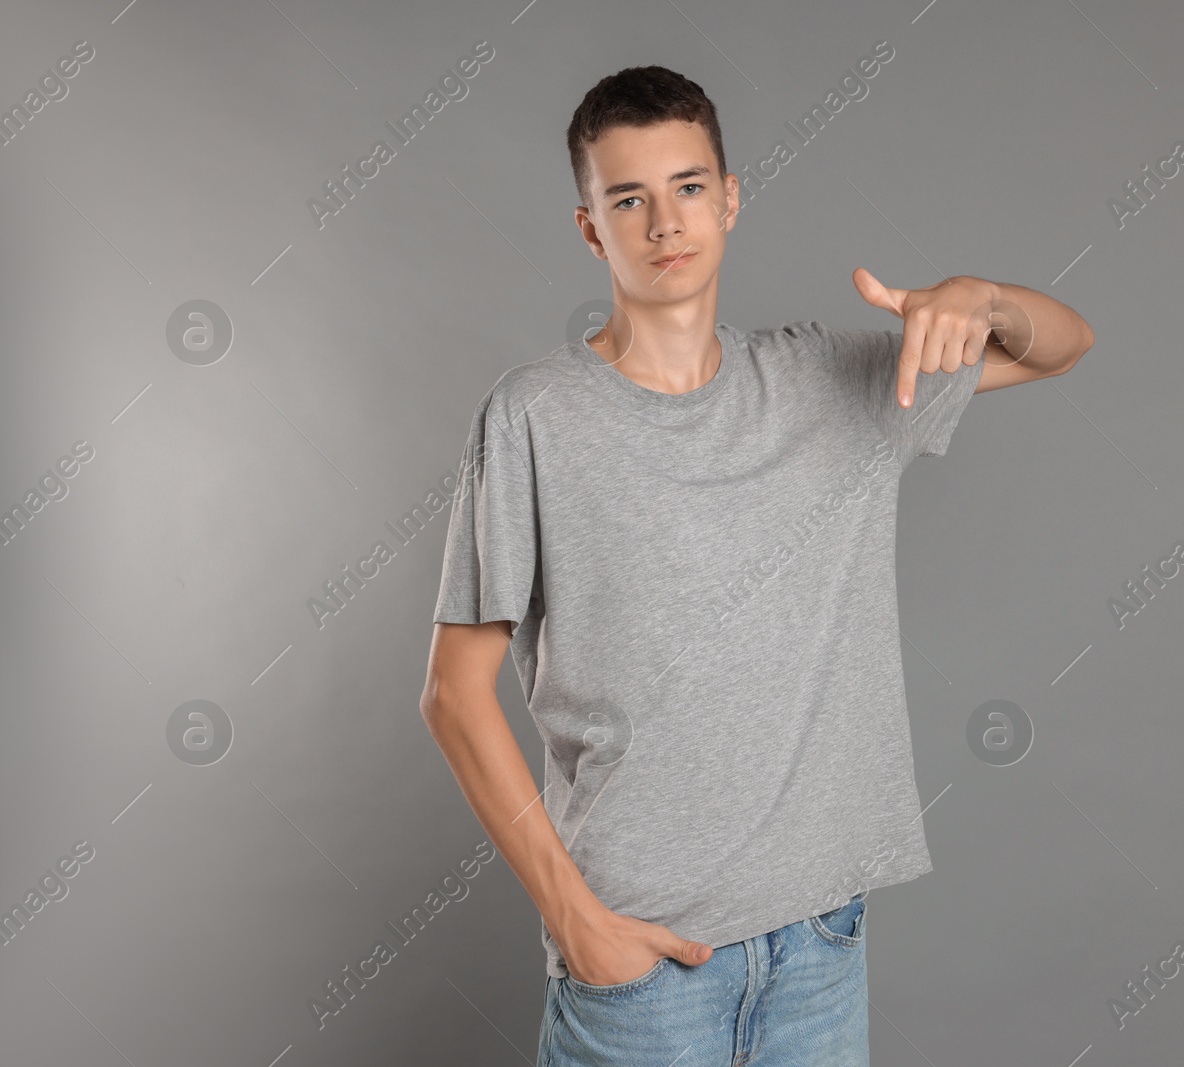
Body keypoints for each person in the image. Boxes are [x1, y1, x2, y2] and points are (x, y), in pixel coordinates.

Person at [418, 64, 1094, 1066]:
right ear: (589, 227)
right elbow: (452, 692)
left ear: (730, 199)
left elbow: (1061, 347)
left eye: (688, 187)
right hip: (639, 962)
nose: (664, 224)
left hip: (818, 951)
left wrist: (982, 298)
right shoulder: (534, 418)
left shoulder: (831, 382)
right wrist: (579, 923)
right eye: (628, 199)